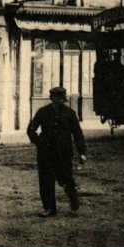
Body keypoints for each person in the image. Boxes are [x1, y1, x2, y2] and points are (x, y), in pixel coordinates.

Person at [27, 87, 87, 217]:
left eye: (62, 99)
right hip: (46, 152)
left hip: (63, 152)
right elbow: (31, 129)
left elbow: (78, 134)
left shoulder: (70, 113)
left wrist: (82, 152)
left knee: (65, 177)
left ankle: (72, 196)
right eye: (58, 98)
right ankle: (49, 208)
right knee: (45, 180)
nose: (60, 101)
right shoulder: (43, 112)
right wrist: (39, 142)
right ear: (52, 98)